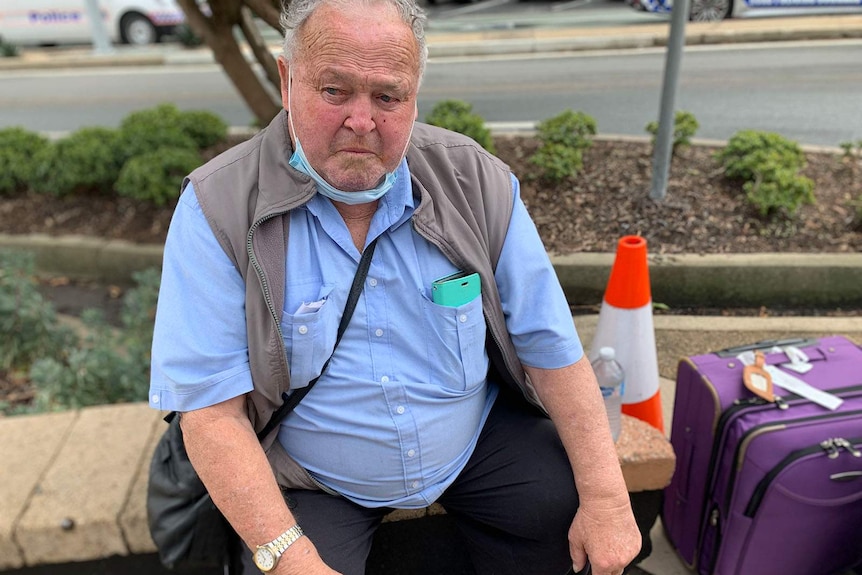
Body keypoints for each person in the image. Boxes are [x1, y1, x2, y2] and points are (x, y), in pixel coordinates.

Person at [148, 0, 641, 574]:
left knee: (579, 531)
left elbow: (550, 346)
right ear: (287, 81)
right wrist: (290, 558)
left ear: (414, 95)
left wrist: (608, 499)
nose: (362, 121)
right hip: (314, 476)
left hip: (475, 442)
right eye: (334, 90)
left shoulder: (474, 179)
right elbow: (211, 414)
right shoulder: (217, 207)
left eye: (388, 96)